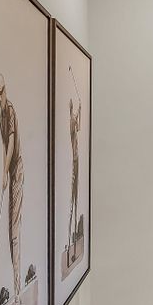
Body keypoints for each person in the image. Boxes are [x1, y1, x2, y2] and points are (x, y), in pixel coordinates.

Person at [0, 74, 23, 305]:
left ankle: (18, 298)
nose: (0, 98)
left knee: (14, 235)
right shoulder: (0, 116)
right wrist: (3, 173)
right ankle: (16, 293)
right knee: (9, 236)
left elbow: (13, 145)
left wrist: (6, 173)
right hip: (9, 174)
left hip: (18, 175)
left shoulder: (11, 111)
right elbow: (4, 147)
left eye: (2, 93)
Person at [68, 97, 81, 261]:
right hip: (74, 163)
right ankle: (70, 245)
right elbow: (76, 124)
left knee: (76, 202)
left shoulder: (73, 121)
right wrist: (77, 111)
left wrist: (80, 109)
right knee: (73, 203)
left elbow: (80, 125)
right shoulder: (71, 123)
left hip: (77, 163)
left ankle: (74, 246)